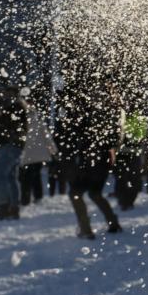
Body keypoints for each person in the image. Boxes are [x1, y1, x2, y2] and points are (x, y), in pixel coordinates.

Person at [56, 74, 123, 240]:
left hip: (96, 157)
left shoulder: (109, 110)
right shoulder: (101, 108)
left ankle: (91, 227)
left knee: (84, 193)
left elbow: (114, 137)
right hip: (93, 157)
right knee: (89, 193)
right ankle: (105, 224)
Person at [0, 85, 29, 221]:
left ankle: (4, 206)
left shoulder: (14, 108)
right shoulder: (16, 107)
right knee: (10, 178)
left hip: (11, 145)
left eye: (7, 93)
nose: (4, 96)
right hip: (14, 145)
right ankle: (13, 208)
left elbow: (3, 125)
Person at [18, 100, 55, 208]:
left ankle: (27, 198)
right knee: (33, 176)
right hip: (35, 152)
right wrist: (53, 151)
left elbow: (45, 135)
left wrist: (52, 150)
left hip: (31, 152)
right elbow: (46, 135)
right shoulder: (36, 119)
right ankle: (34, 197)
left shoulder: (29, 119)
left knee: (27, 176)